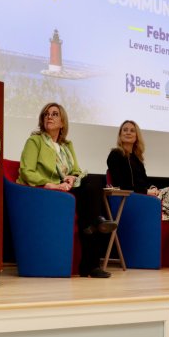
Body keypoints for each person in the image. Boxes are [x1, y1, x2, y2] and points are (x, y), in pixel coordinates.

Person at [17, 102, 117, 278]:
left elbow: (76, 170)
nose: (49, 116)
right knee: (90, 208)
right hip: (46, 190)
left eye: (55, 114)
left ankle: (93, 228)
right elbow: (26, 171)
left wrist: (73, 177)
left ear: (62, 122)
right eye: (46, 114)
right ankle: (91, 260)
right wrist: (50, 184)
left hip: (66, 188)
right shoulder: (35, 141)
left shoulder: (66, 145)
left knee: (93, 182)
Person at [107, 120, 169, 270]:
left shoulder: (137, 158)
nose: (128, 132)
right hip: (131, 200)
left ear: (136, 136)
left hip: (145, 198)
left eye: (132, 130)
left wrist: (151, 188)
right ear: (120, 135)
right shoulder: (115, 155)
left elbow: (144, 182)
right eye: (125, 130)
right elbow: (122, 184)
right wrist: (146, 191)